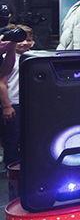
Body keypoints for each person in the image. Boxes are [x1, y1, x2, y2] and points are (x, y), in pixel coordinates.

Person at [0, 25, 34, 173]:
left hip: (27, 103)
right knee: (11, 139)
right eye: (21, 40)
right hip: (13, 102)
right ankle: (12, 170)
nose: (25, 43)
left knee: (26, 138)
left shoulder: (34, 58)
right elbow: (2, 82)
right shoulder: (5, 56)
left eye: (29, 40)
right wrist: (7, 105)